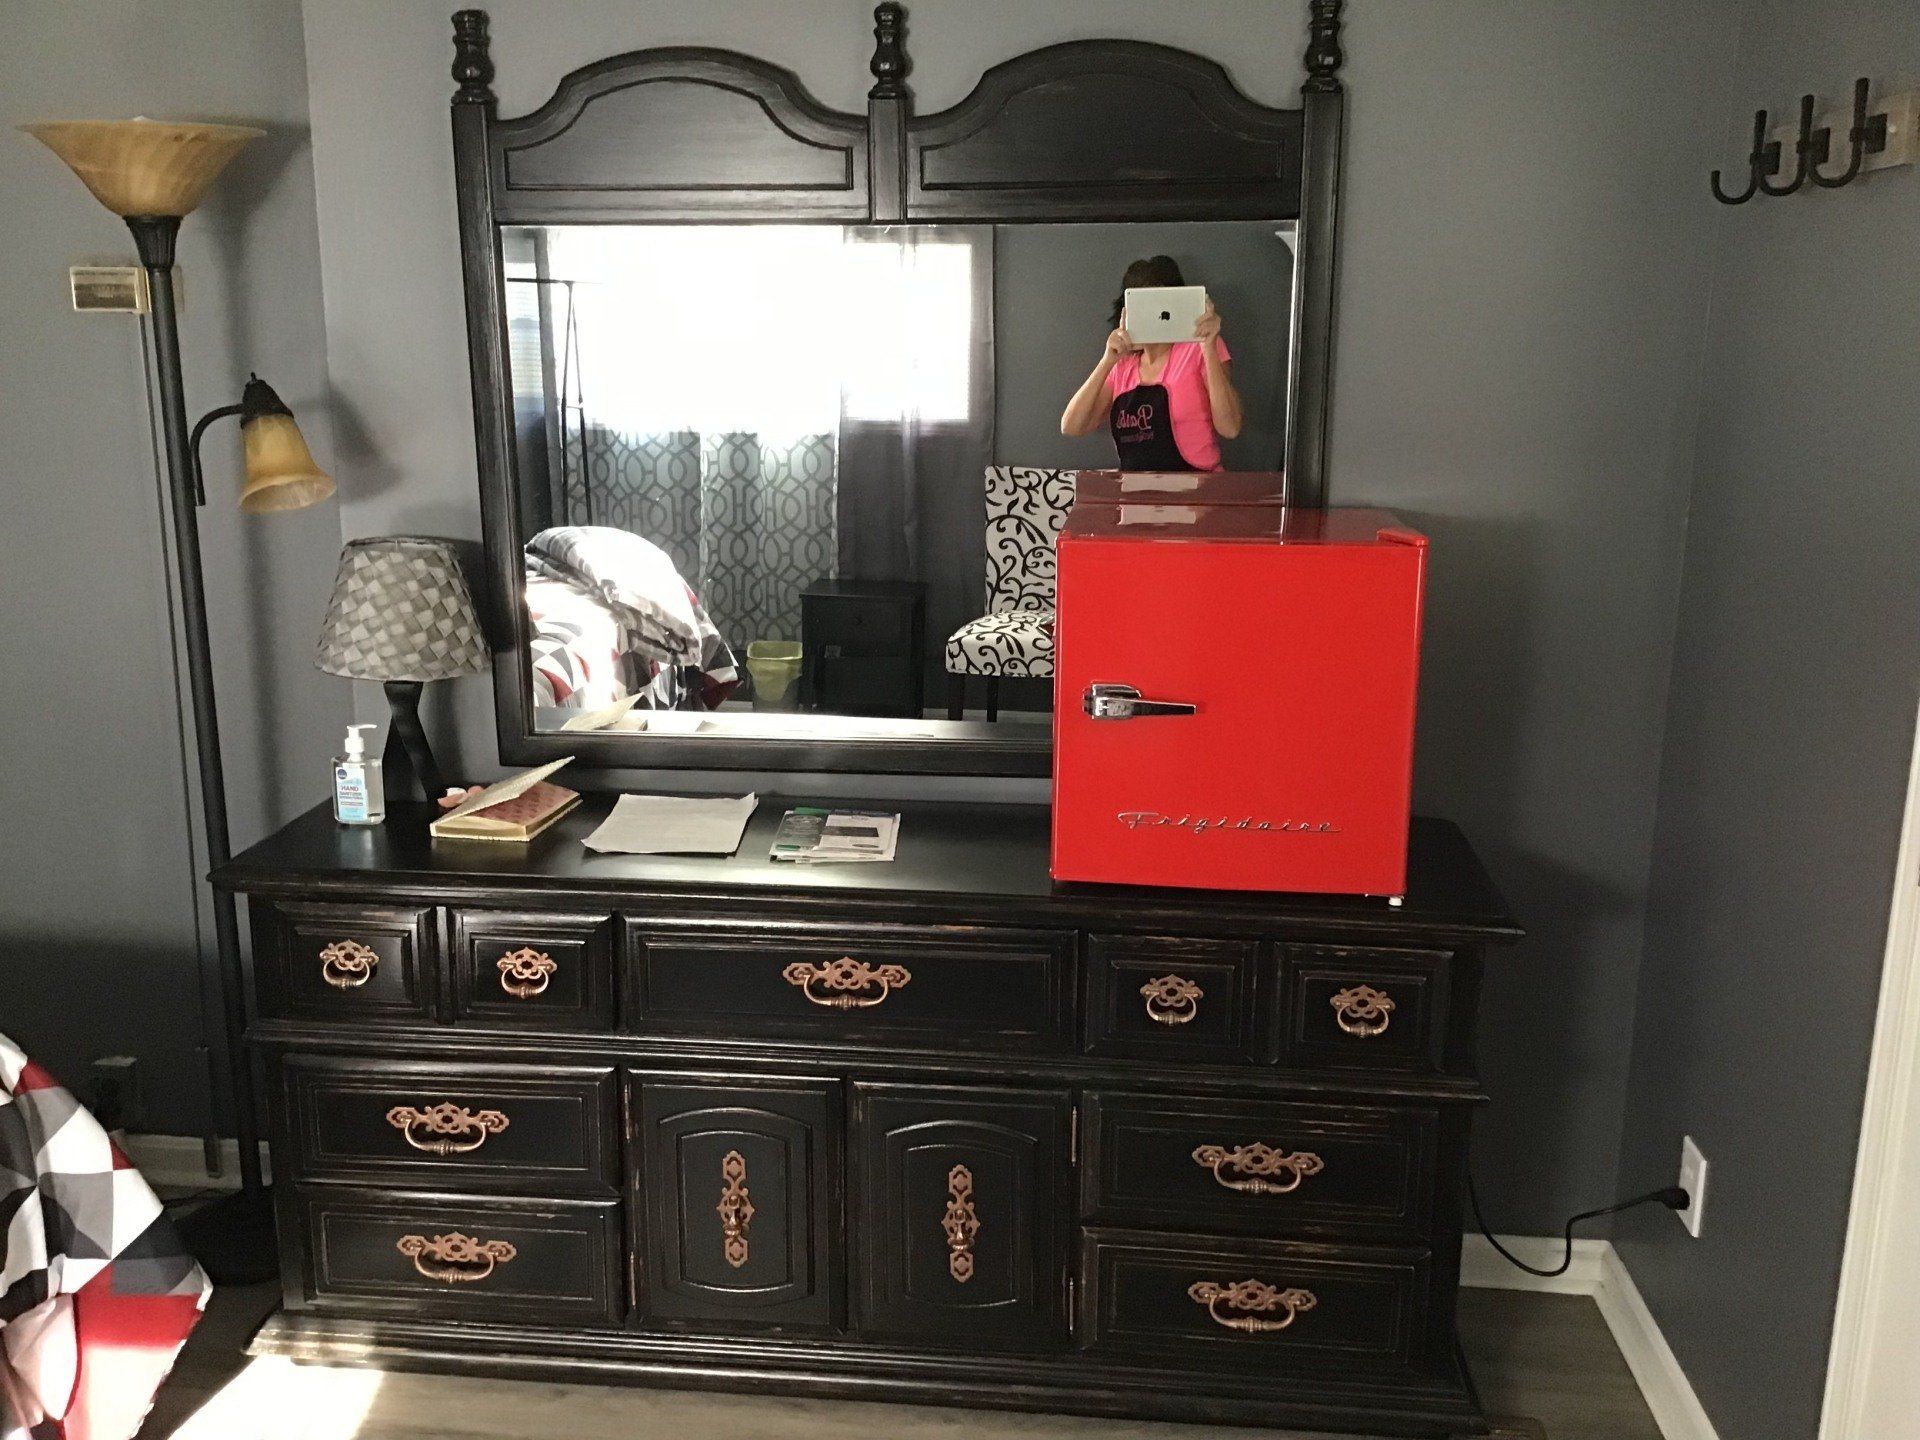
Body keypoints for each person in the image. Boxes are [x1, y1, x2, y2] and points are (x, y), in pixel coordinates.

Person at [1059, 255, 1243, 471]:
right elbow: (1072, 426)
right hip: (1136, 493)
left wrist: (1209, 349)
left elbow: (1230, 428)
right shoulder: (1123, 364)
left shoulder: (1200, 349)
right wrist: (1107, 361)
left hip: (1196, 492)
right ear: (1127, 309)